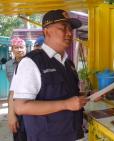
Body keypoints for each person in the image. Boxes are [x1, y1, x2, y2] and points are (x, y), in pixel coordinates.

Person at [12, 9, 88, 141]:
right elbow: (20, 106)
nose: (69, 33)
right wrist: (65, 104)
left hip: (71, 134)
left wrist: (88, 96)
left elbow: (67, 95)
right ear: (46, 31)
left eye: (70, 29)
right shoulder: (31, 62)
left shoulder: (68, 63)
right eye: (63, 28)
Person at [6, 37, 27, 141]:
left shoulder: (31, 62)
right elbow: (11, 86)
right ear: (12, 49)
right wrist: (11, 112)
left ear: (25, 48)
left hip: (29, 101)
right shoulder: (8, 65)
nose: (19, 50)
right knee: (17, 131)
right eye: (16, 47)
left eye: (21, 47)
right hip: (13, 100)